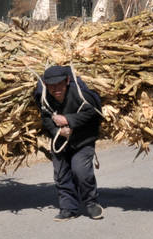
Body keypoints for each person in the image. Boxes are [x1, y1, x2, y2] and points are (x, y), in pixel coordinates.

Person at [34, 65, 103, 221]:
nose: (56, 88)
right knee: (61, 175)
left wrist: (69, 121)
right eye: (51, 85)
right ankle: (68, 208)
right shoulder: (43, 97)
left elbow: (94, 113)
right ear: (45, 84)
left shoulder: (81, 94)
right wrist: (58, 132)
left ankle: (91, 203)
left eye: (59, 83)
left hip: (83, 139)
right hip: (60, 141)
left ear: (67, 81)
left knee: (81, 171)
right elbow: (45, 118)